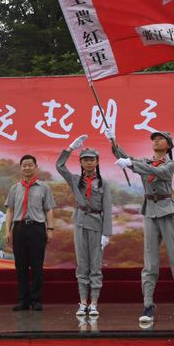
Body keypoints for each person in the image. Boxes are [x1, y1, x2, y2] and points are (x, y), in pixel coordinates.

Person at [107, 128, 174, 325]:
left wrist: (132, 164)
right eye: (154, 139)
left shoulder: (170, 164)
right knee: (150, 261)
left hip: (167, 211)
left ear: (168, 145)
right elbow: (123, 157)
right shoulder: (145, 162)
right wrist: (113, 141)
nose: (156, 141)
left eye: (160, 139)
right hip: (150, 211)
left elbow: (158, 172)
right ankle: (148, 304)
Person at [56, 134, 112, 317]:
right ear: (80, 162)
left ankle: (94, 302)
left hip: (97, 225)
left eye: (92, 159)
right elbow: (60, 166)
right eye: (85, 160)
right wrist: (70, 148)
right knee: (82, 265)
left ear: (97, 162)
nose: (88, 162)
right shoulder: (75, 180)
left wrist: (107, 233)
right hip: (80, 222)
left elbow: (107, 208)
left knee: (95, 265)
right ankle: (83, 302)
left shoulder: (103, 183)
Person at [5, 155, 55, 311]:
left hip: (37, 228)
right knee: (21, 266)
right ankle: (23, 300)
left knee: (37, 266)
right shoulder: (14, 188)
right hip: (19, 228)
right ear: (21, 168)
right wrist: (8, 230)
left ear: (35, 167)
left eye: (30, 165)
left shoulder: (44, 187)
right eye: (24, 165)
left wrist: (50, 229)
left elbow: (48, 210)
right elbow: (10, 210)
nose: (27, 168)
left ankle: (36, 300)